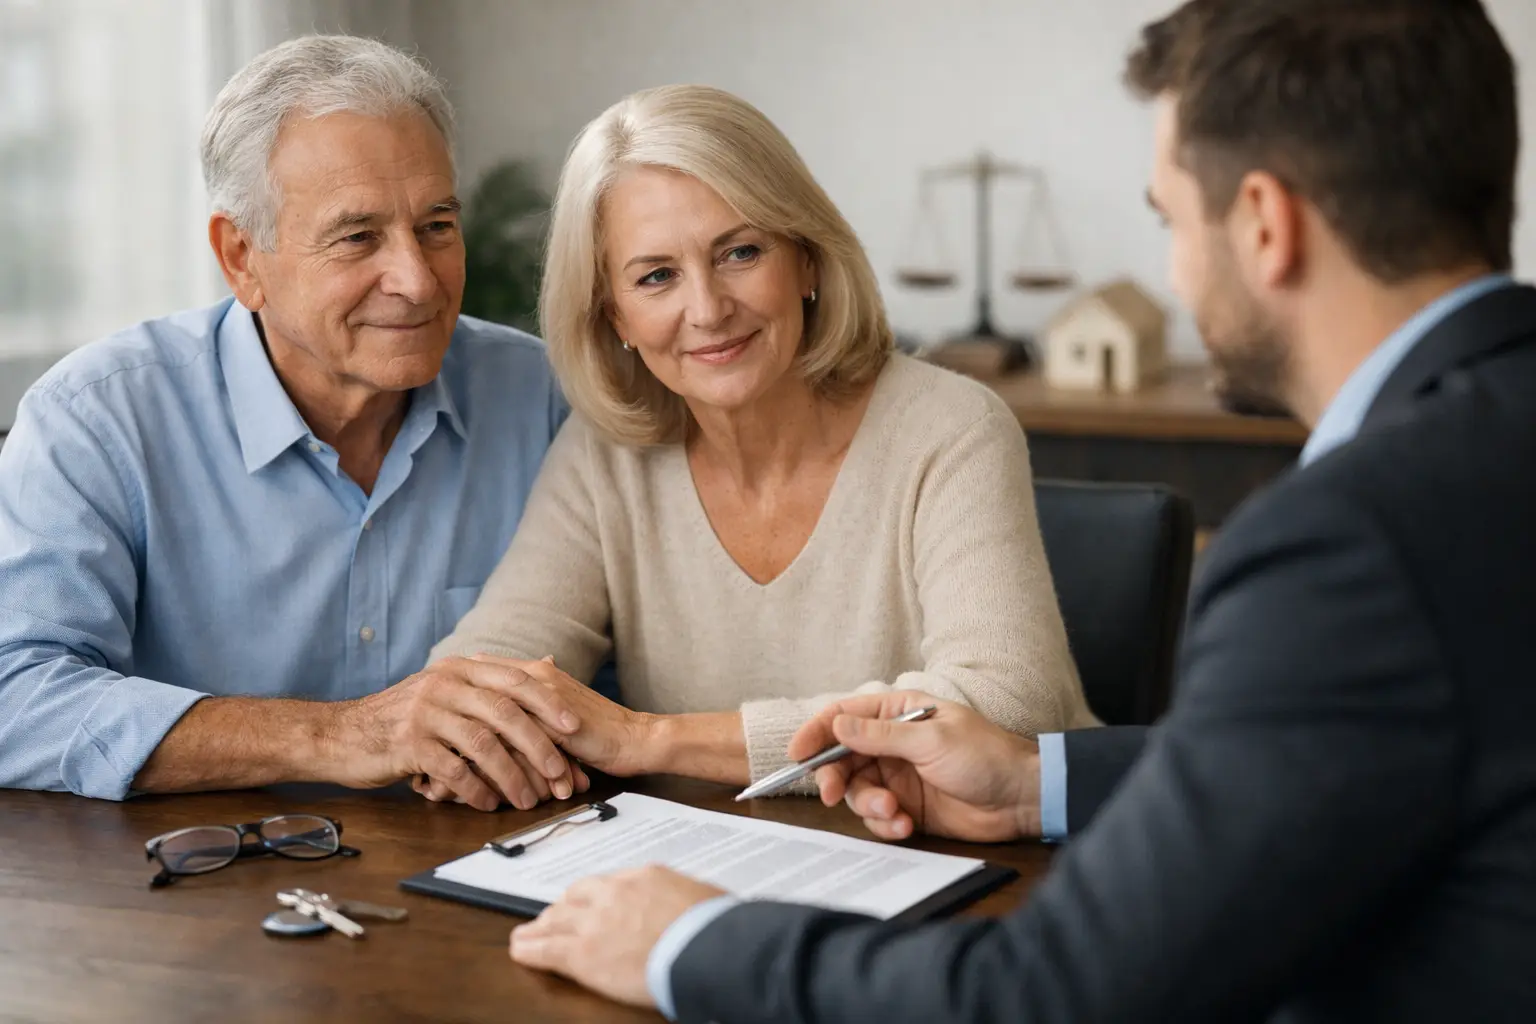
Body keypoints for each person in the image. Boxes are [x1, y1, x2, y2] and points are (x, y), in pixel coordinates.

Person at [505, 1, 1536, 1020]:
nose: (1169, 267)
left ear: (1264, 224)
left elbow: (1048, 993)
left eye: (1168, 218)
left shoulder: (1344, 545)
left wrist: (690, 941)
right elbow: (1315, 765)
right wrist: (1039, 778)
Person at [419, 84, 1095, 801]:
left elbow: (1003, 709)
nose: (708, 309)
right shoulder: (603, 455)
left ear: (805, 260)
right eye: (657, 277)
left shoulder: (952, 427)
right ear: (614, 314)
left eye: (740, 252)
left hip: (999, 869)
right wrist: (463, 727)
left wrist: (650, 739)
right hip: (722, 872)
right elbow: (478, 674)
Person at [0, 35, 589, 813]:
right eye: (358, 237)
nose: (416, 281)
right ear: (242, 256)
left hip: (487, 876)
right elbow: (17, 695)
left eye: (437, 226)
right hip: (192, 894)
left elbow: (617, 675)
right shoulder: (97, 418)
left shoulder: (546, 397)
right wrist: (346, 736)